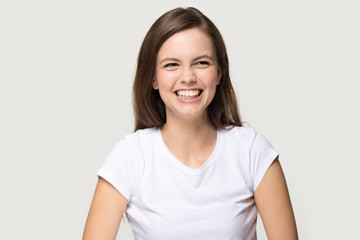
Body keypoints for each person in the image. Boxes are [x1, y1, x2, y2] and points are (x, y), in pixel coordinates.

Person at [83, 7, 298, 240]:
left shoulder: (252, 152)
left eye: (201, 63)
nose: (187, 77)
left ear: (219, 73)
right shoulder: (130, 157)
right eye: (171, 65)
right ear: (153, 78)